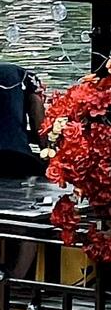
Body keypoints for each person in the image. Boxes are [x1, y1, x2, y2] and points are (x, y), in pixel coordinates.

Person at [0, 59, 49, 275]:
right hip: (16, 155)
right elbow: (37, 108)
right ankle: (17, 282)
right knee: (27, 219)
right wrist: (46, 148)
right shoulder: (22, 74)